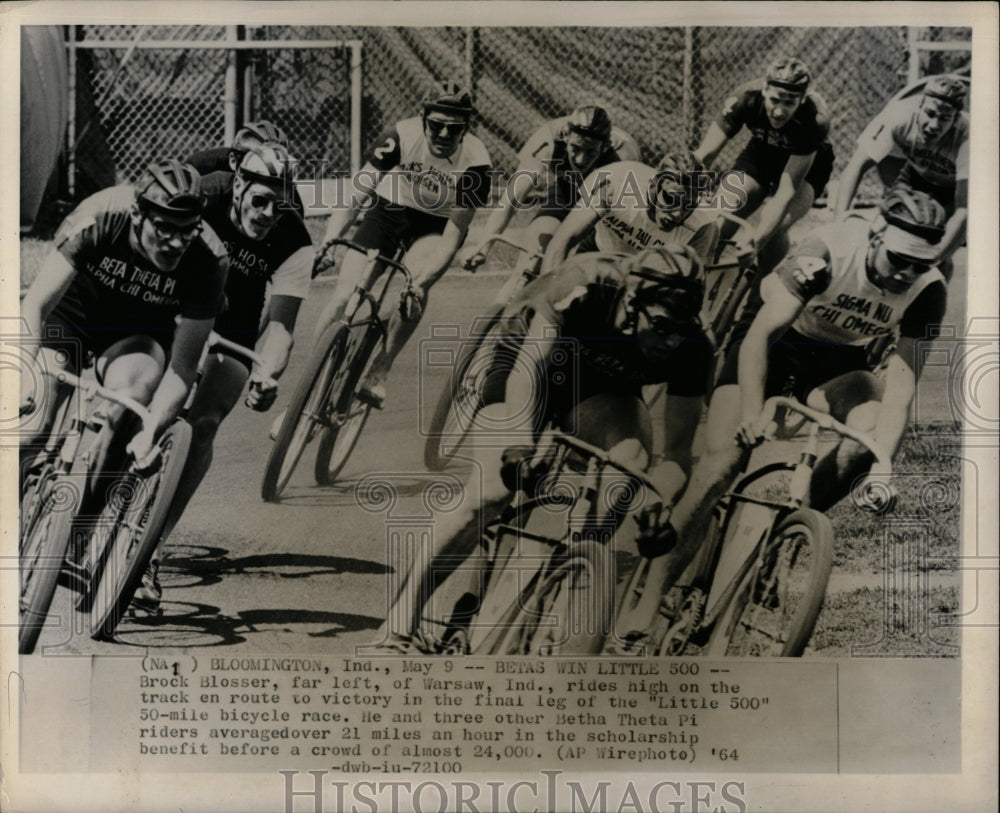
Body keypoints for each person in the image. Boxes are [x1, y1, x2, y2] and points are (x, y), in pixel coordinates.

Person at [615, 187, 950, 652]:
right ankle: (648, 601)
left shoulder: (928, 289)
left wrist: (884, 468)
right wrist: (752, 416)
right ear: (876, 235)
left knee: (869, 436)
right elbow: (759, 338)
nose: (907, 273)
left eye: (920, 263)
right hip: (774, 341)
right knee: (722, 463)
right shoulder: (828, 252)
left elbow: (903, 384)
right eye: (900, 259)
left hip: (838, 360)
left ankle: (780, 539)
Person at [374, 244, 716, 653]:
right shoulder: (587, 283)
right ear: (632, 300)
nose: (672, 341)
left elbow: (677, 453)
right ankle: (399, 623)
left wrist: (658, 499)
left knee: (630, 472)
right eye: (661, 326)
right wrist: (519, 442)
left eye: (682, 328)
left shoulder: (695, 347)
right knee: (491, 492)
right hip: (523, 360)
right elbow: (530, 366)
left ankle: (571, 587)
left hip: (600, 390)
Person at [132, 142, 314, 616]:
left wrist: (267, 372)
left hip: (235, 316)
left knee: (208, 417)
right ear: (237, 188)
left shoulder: (294, 239)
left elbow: (279, 325)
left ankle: (149, 548)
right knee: (146, 382)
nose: (270, 213)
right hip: (174, 295)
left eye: (281, 204)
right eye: (260, 200)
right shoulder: (206, 195)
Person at [19, 160, 228, 482]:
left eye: (188, 229)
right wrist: (19, 383)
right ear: (136, 215)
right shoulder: (100, 215)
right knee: (32, 427)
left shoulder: (209, 259)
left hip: (136, 332)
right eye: (164, 227)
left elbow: (182, 367)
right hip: (73, 314)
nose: (176, 242)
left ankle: (83, 523)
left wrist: (150, 430)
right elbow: (35, 304)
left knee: (130, 404)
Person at [310, 79, 492, 408]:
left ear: (466, 129)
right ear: (423, 120)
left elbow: (453, 237)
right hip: (389, 211)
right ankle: (308, 387)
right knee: (343, 296)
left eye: (454, 129)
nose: (444, 135)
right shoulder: (399, 136)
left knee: (415, 290)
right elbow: (356, 194)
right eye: (436, 125)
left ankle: (380, 368)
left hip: (435, 225)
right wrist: (330, 242)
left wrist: (420, 283)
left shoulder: (476, 163)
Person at [692, 56, 835, 275]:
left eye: (789, 103)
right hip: (762, 152)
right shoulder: (745, 97)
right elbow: (705, 154)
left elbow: (785, 194)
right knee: (719, 218)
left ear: (802, 99)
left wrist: (756, 242)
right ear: (764, 90)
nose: (779, 111)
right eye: (775, 100)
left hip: (808, 167)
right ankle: (700, 277)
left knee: (774, 230)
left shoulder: (814, 119)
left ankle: (756, 297)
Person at [463, 105, 640, 276]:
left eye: (591, 151)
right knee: (529, 263)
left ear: (605, 146)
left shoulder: (623, 157)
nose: (580, 159)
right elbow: (511, 200)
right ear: (565, 135)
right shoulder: (548, 139)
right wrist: (483, 248)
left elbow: (625, 225)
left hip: (602, 207)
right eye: (575, 148)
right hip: (566, 190)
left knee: (583, 274)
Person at [834, 74, 968, 271]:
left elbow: (965, 210)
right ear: (919, 105)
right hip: (914, 177)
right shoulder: (899, 114)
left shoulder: (969, 136)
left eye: (944, 118)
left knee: (933, 258)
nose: (933, 125)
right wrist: (838, 226)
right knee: (882, 235)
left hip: (953, 191)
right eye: (930, 113)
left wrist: (933, 260)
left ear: (956, 119)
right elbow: (855, 167)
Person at [541, 151, 720, 274]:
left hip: (648, 279)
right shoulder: (617, 183)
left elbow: (694, 291)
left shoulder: (704, 225)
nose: (676, 214)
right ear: (652, 186)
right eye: (670, 199)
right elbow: (562, 241)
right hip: (600, 253)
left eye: (687, 205)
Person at [187, 119, 306, 217]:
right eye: (257, 161)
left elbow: (297, 218)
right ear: (233, 161)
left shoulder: (279, 180)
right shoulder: (201, 167)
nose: (268, 170)